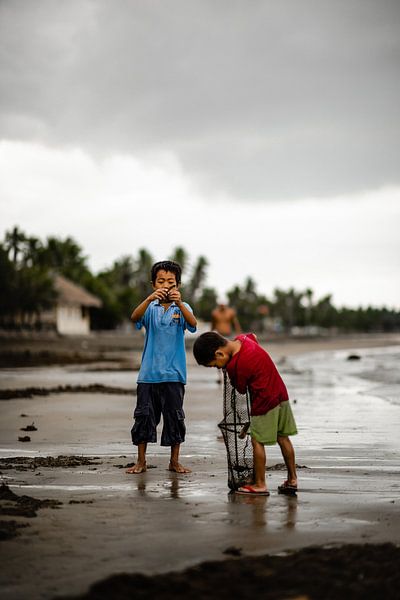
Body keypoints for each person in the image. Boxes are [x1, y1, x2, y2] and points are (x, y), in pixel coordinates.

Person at [192, 331, 298, 496]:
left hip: (264, 401)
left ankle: (260, 484)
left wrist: (231, 371)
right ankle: (292, 480)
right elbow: (254, 336)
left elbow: (240, 388)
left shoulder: (236, 365)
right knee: (283, 437)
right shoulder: (243, 339)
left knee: (257, 441)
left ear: (219, 353)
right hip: (280, 393)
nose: (219, 368)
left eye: (215, 365)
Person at [126, 260, 197, 475]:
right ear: (153, 284)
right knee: (144, 417)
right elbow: (134, 317)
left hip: (175, 375)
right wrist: (148, 299)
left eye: (171, 282)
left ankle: (174, 461)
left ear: (178, 285)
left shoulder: (182, 308)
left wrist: (181, 304)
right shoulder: (150, 308)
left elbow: (193, 325)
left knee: (175, 417)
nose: (166, 285)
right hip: (149, 374)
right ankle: (141, 461)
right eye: (161, 281)